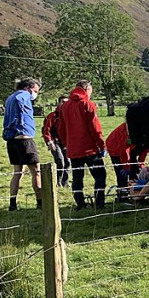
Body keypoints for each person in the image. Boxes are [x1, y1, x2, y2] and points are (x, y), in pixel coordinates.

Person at [57, 79, 107, 210]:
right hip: (90, 149)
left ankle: (80, 203)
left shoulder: (65, 106)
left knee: (77, 177)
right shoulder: (88, 104)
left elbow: (61, 128)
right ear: (87, 89)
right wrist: (102, 145)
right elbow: (95, 128)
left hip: (73, 149)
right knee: (100, 175)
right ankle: (99, 203)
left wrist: (66, 143)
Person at [2, 77, 42, 211]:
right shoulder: (23, 95)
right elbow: (21, 101)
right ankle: (40, 202)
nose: (35, 94)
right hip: (24, 138)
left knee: (17, 172)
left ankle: (12, 203)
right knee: (36, 171)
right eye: (35, 91)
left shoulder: (10, 97)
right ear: (28, 88)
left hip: (12, 139)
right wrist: (21, 122)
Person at [41, 96, 70, 187]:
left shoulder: (69, 116)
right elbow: (47, 130)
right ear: (58, 103)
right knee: (60, 161)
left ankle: (65, 182)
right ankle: (57, 181)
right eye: (62, 102)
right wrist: (49, 141)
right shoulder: (53, 116)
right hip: (55, 142)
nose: (64, 104)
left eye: (67, 102)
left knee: (68, 162)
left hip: (66, 142)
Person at [105, 122, 134, 199]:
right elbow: (123, 150)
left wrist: (141, 163)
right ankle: (122, 195)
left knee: (134, 169)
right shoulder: (128, 129)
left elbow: (144, 148)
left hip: (127, 145)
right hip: (114, 147)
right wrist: (125, 166)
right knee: (121, 173)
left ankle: (134, 193)